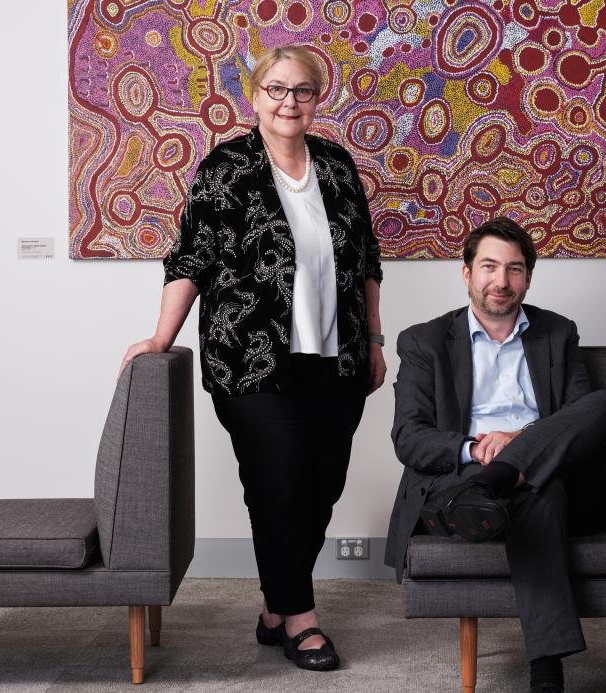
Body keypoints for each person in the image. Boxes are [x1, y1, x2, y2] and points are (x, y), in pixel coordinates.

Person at [122, 45, 385, 672]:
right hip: (252, 363)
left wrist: (374, 339)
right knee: (279, 484)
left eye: (302, 91)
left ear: (318, 98)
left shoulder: (339, 166)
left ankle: (274, 606)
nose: (289, 102)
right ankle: (301, 619)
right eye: (276, 89)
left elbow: (367, 260)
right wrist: (161, 336)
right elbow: (192, 258)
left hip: (337, 356)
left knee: (323, 482)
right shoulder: (226, 167)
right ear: (255, 95)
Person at [386, 218, 606, 693]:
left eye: (514, 269)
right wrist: (474, 449)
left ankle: (500, 480)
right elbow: (408, 437)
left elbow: (582, 416)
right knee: (543, 495)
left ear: (529, 279)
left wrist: (520, 441)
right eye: (490, 266)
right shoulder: (423, 341)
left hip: (525, 472)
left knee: (605, 405)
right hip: (458, 478)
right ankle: (546, 672)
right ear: (466, 273)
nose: (502, 281)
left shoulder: (557, 333)